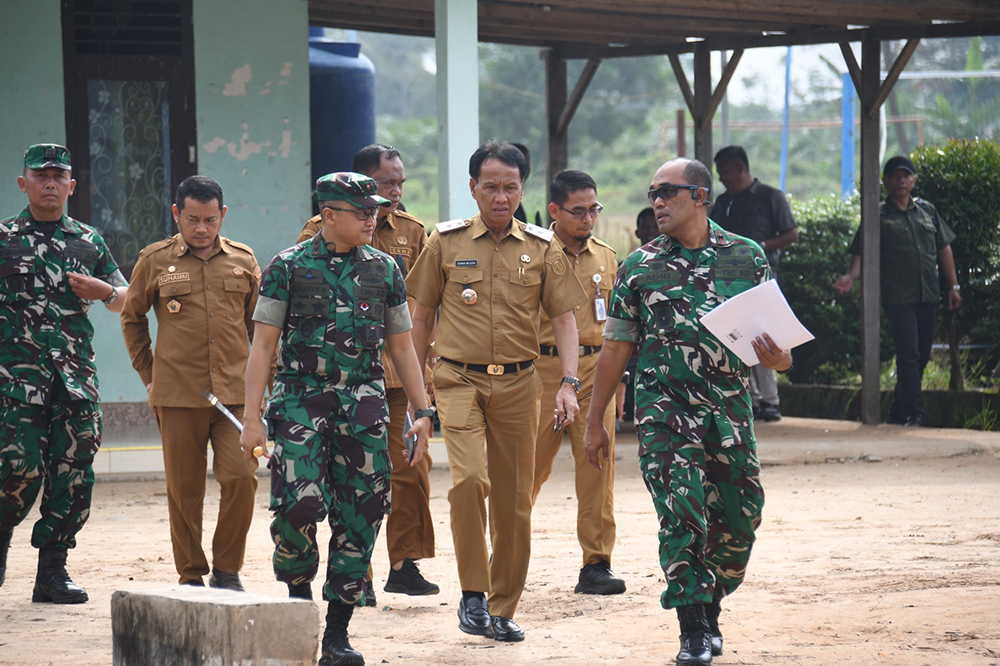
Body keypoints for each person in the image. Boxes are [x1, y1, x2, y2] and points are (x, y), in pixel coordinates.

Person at [583, 158, 791, 666]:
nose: (657, 201)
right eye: (653, 191)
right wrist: (595, 421)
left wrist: (776, 358)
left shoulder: (746, 256)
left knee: (742, 518)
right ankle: (693, 626)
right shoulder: (639, 266)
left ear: (699, 196)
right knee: (681, 514)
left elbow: (783, 354)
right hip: (665, 411)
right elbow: (615, 349)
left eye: (668, 192)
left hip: (728, 409)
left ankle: (711, 599)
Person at [241, 172, 434, 666]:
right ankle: (299, 602)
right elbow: (263, 347)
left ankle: (337, 633)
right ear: (328, 215)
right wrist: (251, 419)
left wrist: (422, 409)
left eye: (375, 210)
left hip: (364, 406)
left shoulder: (386, 269)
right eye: (361, 211)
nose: (374, 217)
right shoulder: (286, 267)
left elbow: (402, 348)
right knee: (298, 508)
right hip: (300, 401)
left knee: (362, 513)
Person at [406, 141, 588, 642]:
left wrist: (569, 384)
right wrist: (417, 388)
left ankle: (502, 605)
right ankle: (471, 593)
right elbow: (419, 319)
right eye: (491, 186)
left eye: (511, 186)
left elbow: (565, 319)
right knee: (469, 482)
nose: (501, 196)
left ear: (522, 188)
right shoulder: (444, 243)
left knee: (513, 502)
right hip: (457, 379)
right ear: (473, 188)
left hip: (519, 384)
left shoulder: (542, 247)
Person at [298, 144, 439, 602]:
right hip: (345, 374)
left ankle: (404, 562)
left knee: (410, 469)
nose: (395, 192)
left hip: (400, 373)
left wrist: (426, 379)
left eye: (400, 182)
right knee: (353, 477)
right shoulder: (317, 232)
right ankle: (360, 572)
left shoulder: (414, 233)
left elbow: (423, 304)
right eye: (386, 183)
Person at [0, 143, 128, 603]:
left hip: (74, 381)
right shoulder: (4, 237)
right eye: (40, 176)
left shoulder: (88, 240)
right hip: (15, 382)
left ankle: (52, 571)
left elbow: (126, 298)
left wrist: (105, 289)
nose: (50, 183)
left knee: (73, 474)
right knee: (17, 469)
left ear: (72, 186)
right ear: (24, 183)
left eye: (58, 176)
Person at [120, 175, 261, 590]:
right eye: (193, 219)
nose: (202, 228)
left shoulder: (243, 260)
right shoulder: (154, 260)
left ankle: (228, 569)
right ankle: (191, 574)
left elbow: (261, 329)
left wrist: (262, 389)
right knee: (185, 492)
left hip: (235, 397)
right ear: (177, 214)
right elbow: (132, 318)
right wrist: (150, 375)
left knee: (241, 477)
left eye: (211, 219)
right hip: (178, 396)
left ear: (223, 216)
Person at [530, 169, 624, 595]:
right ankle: (503, 554)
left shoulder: (606, 257)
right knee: (525, 469)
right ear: (555, 210)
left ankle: (596, 563)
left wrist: (618, 382)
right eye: (579, 211)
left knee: (597, 469)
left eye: (594, 209)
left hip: (595, 372)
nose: (588, 219)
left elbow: (619, 326)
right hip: (540, 374)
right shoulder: (530, 252)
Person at [832, 155, 961, 427]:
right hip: (897, 296)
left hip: (928, 294)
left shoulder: (927, 211)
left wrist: (953, 286)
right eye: (895, 176)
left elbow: (943, 249)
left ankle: (897, 410)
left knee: (923, 354)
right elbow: (861, 252)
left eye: (906, 175)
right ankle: (915, 413)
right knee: (909, 353)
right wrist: (849, 277)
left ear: (913, 180)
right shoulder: (876, 215)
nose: (901, 181)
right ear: (885, 181)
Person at [711, 146, 798, 423]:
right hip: (725, 281)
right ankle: (753, 399)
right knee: (735, 337)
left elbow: (791, 233)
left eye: (725, 172)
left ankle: (771, 401)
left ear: (739, 167)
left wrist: (761, 246)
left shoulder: (771, 197)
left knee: (766, 337)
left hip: (761, 278)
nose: (722, 178)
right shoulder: (722, 202)